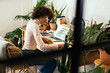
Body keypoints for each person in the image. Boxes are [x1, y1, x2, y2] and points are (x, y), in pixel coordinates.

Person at [22, 6, 64, 73]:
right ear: (41, 16)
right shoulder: (34, 26)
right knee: (52, 62)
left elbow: (35, 35)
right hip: (29, 54)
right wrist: (59, 45)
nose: (46, 20)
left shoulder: (31, 21)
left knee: (50, 59)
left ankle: (40, 71)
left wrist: (44, 39)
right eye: (45, 18)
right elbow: (42, 47)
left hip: (26, 51)